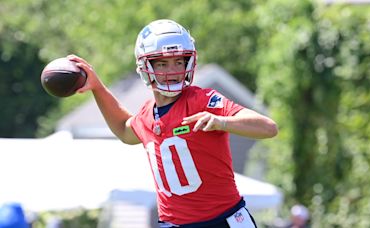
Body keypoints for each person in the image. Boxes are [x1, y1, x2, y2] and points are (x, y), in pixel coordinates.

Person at [68, 19, 278, 228]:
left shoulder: (202, 100)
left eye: (179, 62)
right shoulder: (147, 115)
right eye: (162, 63)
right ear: (145, 66)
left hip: (223, 220)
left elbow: (268, 127)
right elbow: (124, 129)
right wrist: (97, 87)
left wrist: (221, 121)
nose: (173, 70)